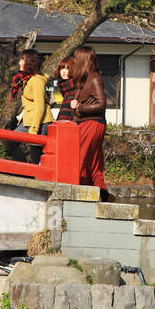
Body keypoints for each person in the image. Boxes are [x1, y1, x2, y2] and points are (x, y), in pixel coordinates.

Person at [69, 45, 108, 199]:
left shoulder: (94, 78)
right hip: (88, 122)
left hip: (92, 123)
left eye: (76, 58)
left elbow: (101, 103)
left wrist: (80, 107)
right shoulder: (85, 78)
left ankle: (81, 191)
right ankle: (101, 192)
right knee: (93, 161)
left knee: (82, 158)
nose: (74, 61)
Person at [10, 49, 47, 164]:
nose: (19, 63)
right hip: (27, 120)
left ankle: (32, 175)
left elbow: (40, 105)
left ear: (30, 62)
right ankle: (26, 170)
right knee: (10, 141)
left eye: (22, 60)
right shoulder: (27, 79)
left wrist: (34, 129)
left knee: (35, 152)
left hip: (39, 121)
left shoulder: (36, 81)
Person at [50, 57, 76, 124]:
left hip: (71, 126)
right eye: (62, 68)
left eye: (67, 68)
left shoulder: (75, 87)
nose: (64, 71)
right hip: (65, 124)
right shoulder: (65, 88)